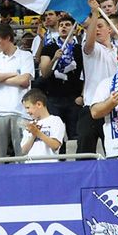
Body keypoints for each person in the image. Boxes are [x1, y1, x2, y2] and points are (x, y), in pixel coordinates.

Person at [0, 23, 34, 157]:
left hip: (21, 111)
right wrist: (12, 74)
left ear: (7, 38)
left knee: (23, 155)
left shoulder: (26, 55)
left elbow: (24, 81)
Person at [35, 15, 82, 151]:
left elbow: (86, 73)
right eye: (61, 25)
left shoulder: (80, 49)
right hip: (54, 98)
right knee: (56, 134)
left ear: (74, 29)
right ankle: (59, 161)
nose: (63, 27)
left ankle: (75, 161)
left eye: (67, 25)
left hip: (74, 98)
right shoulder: (49, 48)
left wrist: (82, 95)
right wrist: (54, 59)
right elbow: (44, 73)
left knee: (75, 135)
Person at [79, 0, 118, 155]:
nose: (96, 29)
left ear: (110, 29)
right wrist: (95, 14)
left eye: (100, 26)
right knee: (85, 153)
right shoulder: (92, 49)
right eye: (94, 27)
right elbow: (89, 44)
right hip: (91, 106)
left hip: (115, 107)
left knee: (114, 153)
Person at [19, 89, 65, 159]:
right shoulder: (31, 124)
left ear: (39, 104)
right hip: (30, 163)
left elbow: (55, 145)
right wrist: (33, 136)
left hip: (48, 163)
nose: (27, 111)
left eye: (28, 107)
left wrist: (37, 132)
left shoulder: (55, 120)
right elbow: (23, 151)